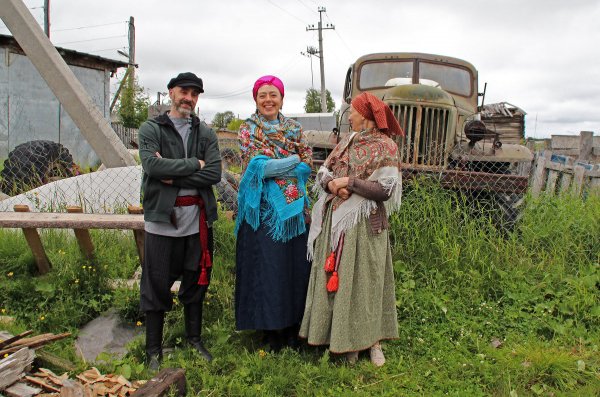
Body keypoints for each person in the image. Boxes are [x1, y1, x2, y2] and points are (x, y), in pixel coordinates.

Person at [299, 92, 403, 366]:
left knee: (367, 284)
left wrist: (351, 182)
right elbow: (324, 172)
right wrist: (332, 185)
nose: (351, 117)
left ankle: (373, 341)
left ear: (366, 115)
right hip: (338, 225)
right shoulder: (347, 141)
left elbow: (385, 190)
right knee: (340, 282)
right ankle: (346, 341)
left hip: (367, 226)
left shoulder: (387, 147)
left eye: (353, 112)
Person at [138, 72, 222, 369]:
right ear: (171, 92)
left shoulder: (206, 133)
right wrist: (192, 164)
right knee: (156, 283)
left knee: (196, 280)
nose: (188, 97)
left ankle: (194, 340)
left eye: (194, 93)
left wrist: (170, 172)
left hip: (197, 219)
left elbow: (213, 174)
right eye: (184, 91)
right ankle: (152, 351)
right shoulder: (151, 128)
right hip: (163, 219)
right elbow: (150, 166)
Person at [234, 75, 313, 351]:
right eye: (262, 95)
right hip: (264, 211)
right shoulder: (247, 129)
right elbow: (260, 169)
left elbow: (308, 164)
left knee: (293, 268)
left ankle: (293, 328)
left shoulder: (294, 128)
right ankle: (270, 331)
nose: (268, 100)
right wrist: (292, 161)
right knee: (267, 270)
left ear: (282, 98)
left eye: (273, 95)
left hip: (293, 212)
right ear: (255, 99)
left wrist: (284, 163)